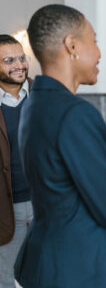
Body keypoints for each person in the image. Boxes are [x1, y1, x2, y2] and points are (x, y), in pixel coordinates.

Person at [14, 4, 106, 288]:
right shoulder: (75, 114)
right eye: (94, 40)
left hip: (36, 265)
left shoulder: (34, 104)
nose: (99, 52)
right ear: (71, 45)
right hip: (77, 270)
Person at [0, 35, 33, 288]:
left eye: (21, 57)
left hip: (46, 205)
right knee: (9, 281)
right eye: (8, 60)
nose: (19, 65)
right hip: (6, 211)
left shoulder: (44, 95)